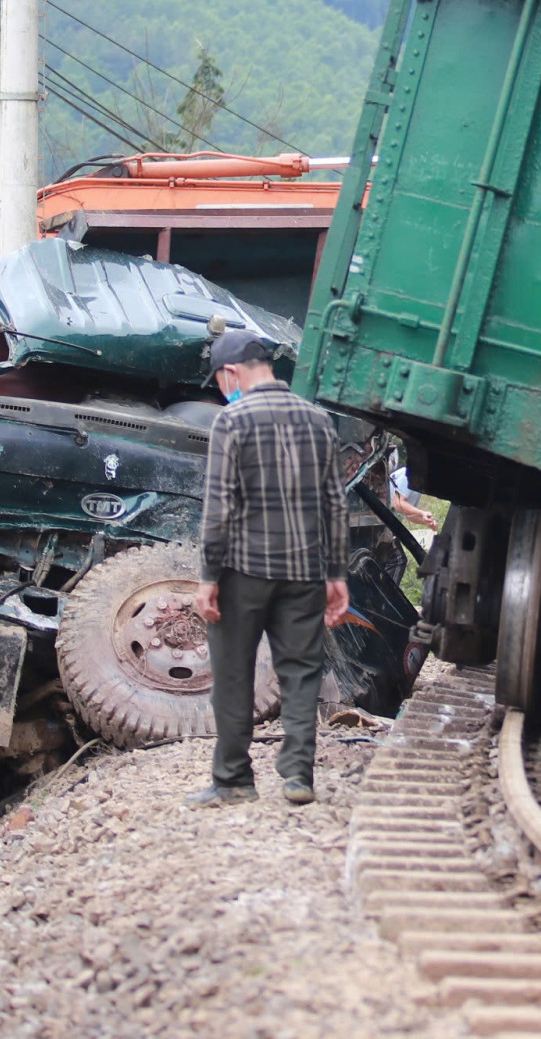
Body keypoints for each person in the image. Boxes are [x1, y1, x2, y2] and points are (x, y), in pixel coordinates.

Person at [187, 329, 350, 807]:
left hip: (243, 571)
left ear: (231, 372)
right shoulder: (319, 421)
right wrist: (336, 574)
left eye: (219, 381)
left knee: (233, 672)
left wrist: (208, 577)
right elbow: (335, 506)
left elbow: (218, 507)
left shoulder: (232, 421)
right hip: (304, 572)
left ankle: (234, 780)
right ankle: (299, 775)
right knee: (301, 672)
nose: (221, 391)